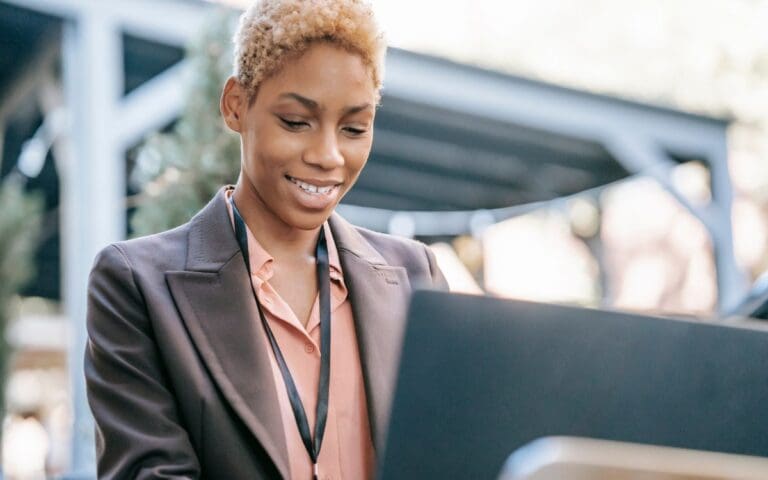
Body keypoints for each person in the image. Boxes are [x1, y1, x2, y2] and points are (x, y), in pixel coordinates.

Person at [84, 0, 448, 478]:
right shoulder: (136, 285)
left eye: (354, 128)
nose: (328, 155)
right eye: (296, 122)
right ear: (236, 104)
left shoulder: (416, 277)